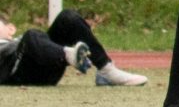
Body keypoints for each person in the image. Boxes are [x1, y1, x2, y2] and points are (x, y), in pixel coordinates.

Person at [1, 10, 147, 87]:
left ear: (10, 28)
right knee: (31, 35)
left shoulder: (23, 41)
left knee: (68, 18)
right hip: (15, 74)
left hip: (43, 65)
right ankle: (70, 55)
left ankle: (106, 71)